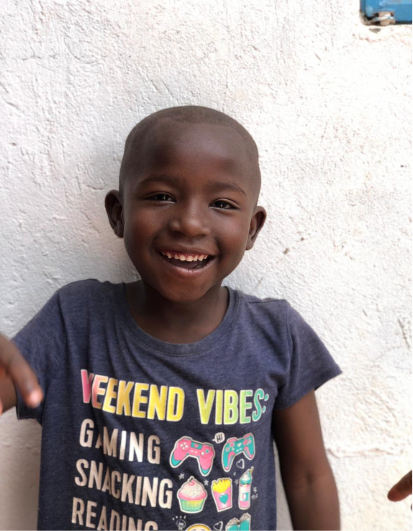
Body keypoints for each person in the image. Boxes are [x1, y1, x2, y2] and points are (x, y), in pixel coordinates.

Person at [0, 106, 341, 531]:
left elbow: (309, 478)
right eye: (162, 196)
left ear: (252, 228)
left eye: (222, 203)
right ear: (118, 213)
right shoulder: (74, 322)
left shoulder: (276, 335)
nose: (190, 223)